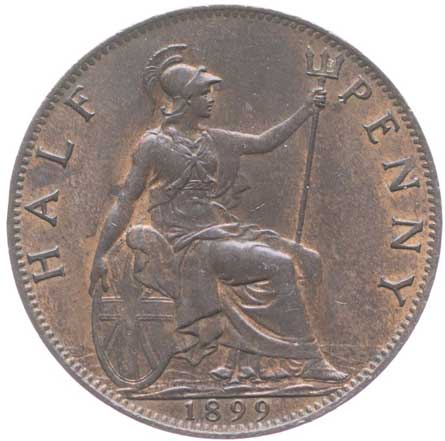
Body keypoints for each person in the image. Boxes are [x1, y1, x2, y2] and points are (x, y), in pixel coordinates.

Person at [89, 45, 348, 383]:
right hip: (186, 244)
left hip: (218, 231)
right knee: (279, 264)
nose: (211, 99)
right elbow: (126, 199)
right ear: (184, 100)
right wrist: (101, 252)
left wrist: (306, 110)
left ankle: (253, 362)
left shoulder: (213, 139)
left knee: (299, 257)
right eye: (203, 93)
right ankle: (309, 358)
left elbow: (264, 142)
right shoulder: (153, 144)